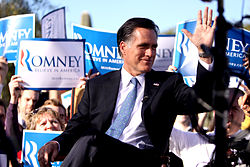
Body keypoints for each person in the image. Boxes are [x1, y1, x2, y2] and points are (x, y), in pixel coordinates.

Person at [38, 7, 216, 167]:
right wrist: (56, 143)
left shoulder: (168, 83)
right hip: (101, 157)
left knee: (91, 141)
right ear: (123, 48)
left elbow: (202, 101)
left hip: (143, 159)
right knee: (90, 140)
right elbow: (76, 127)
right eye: (143, 46)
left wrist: (205, 53)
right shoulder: (97, 86)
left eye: (154, 47)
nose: (150, 53)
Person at [170, 87, 249, 167]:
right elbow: (159, 126)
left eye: (234, 108)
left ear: (244, 116)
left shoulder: (247, 143)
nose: (227, 113)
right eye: (223, 107)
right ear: (214, 111)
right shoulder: (190, 141)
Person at [5, 75, 40, 152]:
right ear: (19, 100)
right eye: (27, 99)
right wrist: (13, 98)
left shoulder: (39, 125)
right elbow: (11, 130)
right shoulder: (11, 121)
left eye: (34, 101)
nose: (31, 104)